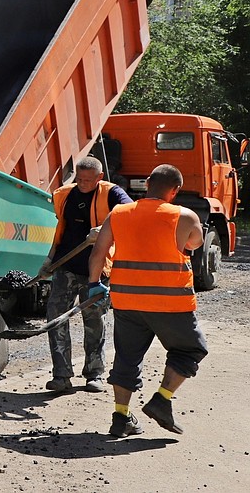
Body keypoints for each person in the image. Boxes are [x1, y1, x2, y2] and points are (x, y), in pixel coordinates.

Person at [88, 163, 207, 438]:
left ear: (147, 182)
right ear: (175, 190)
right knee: (191, 350)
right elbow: (193, 244)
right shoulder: (185, 216)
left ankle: (120, 417)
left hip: (126, 301)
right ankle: (162, 400)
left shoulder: (118, 213)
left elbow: (98, 253)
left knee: (127, 357)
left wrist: (94, 285)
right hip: (171, 304)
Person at [43, 156, 132, 394]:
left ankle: (95, 374)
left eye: (87, 180)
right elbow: (61, 229)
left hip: (96, 270)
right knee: (56, 318)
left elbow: (131, 214)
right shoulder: (65, 195)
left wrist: (105, 230)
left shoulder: (112, 193)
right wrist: (49, 260)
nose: (82, 183)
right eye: (79, 179)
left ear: (99, 178)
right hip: (66, 266)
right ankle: (61, 375)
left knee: (94, 321)